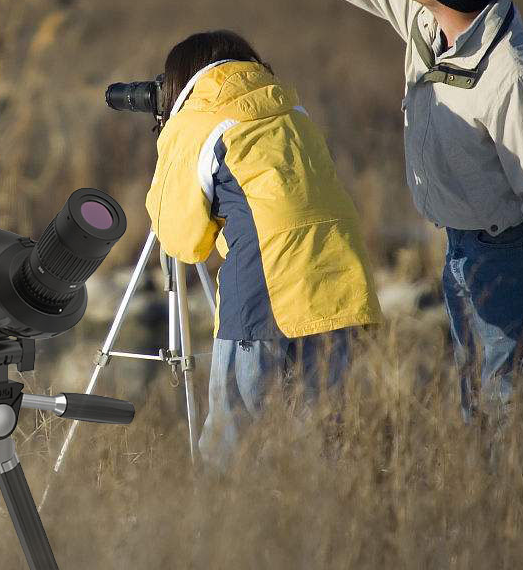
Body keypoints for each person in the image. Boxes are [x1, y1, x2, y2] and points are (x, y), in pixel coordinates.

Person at [189, 0, 523, 425]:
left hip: (509, 255)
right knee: (479, 399)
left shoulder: (517, 77)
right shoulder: (427, 19)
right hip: (461, 246)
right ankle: (495, 507)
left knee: (510, 404)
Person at [144, 30, 382, 470]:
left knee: (234, 447)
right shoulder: (291, 109)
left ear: (180, 82)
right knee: (320, 442)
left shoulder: (197, 119)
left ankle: (225, 534)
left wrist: (168, 157)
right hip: (337, 285)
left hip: (261, 292)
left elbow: (183, 240)